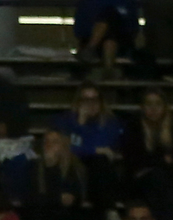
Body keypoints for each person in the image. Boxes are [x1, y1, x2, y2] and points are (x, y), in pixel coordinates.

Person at [121, 87, 173, 220]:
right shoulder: (134, 127)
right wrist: (163, 161)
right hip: (140, 183)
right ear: (143, 107)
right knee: (157, 178)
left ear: (165, 106)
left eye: (158, 104)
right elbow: (133, 161)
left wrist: (154, 162)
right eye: (149, 104)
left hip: (171, 182)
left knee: (163, 182)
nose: (153, 109)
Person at [51, 82, 123, 210]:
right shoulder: (64, 120)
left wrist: (86, 148)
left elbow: (105, 148)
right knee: (70, 161)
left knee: (99, 161)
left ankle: (107, 210)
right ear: (78, 102)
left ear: (101, 102)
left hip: (97, 171)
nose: (91, 104)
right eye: (86, 100)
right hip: (71, 169)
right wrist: (80, 124)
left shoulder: (110, 122)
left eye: (95, 99)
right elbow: (63, 149)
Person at [21, 128, 89, 220]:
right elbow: (30, 197)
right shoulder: (33, 167)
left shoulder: (74, 168)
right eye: (46, 141)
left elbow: (75, 197)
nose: (49, 145)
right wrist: (56, 197)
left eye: (54, 142)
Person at [73, 0, 138, 75]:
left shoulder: (127, 1)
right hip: (93, 43)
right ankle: (108, 71)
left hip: (121, 46)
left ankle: (92, 51)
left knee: (111, 16)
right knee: (109, 24)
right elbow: (79, 30)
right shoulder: (87, 1)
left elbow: (133, 29)